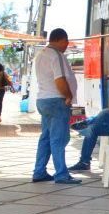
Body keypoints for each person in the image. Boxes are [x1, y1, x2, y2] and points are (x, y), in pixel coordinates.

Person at [31, 28, 81, 185]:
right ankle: (61, 174)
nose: (67, 45)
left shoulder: (41, 54)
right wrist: (68, 95)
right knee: (59, 139)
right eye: (66, 42)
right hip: (56, 101)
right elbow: (59, 80)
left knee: (46, 137)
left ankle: (39, 171)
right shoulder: (56, 55)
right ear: (60, 40)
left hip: (43, 100)